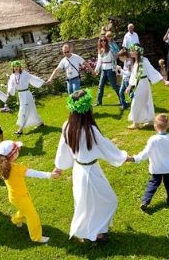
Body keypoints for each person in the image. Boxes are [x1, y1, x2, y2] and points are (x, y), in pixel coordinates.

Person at [54, 89, 130, 242]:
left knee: (86, 202)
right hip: (89, 172)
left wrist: (60, 165)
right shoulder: (90, 130)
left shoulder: (67, 125)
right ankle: (95, 232)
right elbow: (107, 146)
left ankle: (96, 231)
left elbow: (62, 149)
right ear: (88, 109)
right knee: (108, 200)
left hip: (79, 170)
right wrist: (123, 157)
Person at [0, 140, 59, 243]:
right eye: (17, 150)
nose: (19, 151)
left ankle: (15, 220)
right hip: (21, 197)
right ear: (13, 155)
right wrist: (50, 175)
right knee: (32, 216)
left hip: (15, 197)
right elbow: (35, 173)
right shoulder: (16, 168)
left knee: (25, 210)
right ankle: (36, 237)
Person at [129, 114, 169, 211]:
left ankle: (145, 201)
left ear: (155, 126)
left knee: (153, 184)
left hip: (156, 169)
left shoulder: (153, 140)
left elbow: (145, 153)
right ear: (168, 125)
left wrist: (135, 158)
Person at [125, 44, 164, 129]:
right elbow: (133, 75)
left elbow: (151, 70)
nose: (130, 52)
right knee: (145, 102)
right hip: (139, 84)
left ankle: (136, 123)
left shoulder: (144, 60)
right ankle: (150, 120)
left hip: (143, 83)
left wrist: (163, 80)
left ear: (137, 51)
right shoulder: (135, 62)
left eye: (132, 50)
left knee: (137, 102)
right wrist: (129, 87)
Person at [7, 60, 45, 135]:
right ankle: (40, 123)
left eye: (17, 66)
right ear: (13, 68)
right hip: (21, 96)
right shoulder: (12, 76)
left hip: (27, 95)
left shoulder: (25, 74)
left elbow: (33, 78)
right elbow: (11, 86)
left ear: (20, 66)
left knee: (23, 111)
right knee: (31, 110)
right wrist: (9, 90)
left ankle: (20, 129)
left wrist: (42, 82)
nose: (16, 68)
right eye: (14, 66)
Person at [94, 36, 121, 106]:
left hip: (110, 70)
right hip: (103, 70)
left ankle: (122, 99)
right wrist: (96, 70)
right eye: (101, 41)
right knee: (100, 86)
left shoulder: (110, 49)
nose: (103, 42)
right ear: (99, 42)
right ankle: (98, 102)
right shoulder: (100, 50)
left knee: (114, 85)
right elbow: (99, 61)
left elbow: (114, 60)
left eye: (104, 40)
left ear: (106, 41)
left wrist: (115, 69)